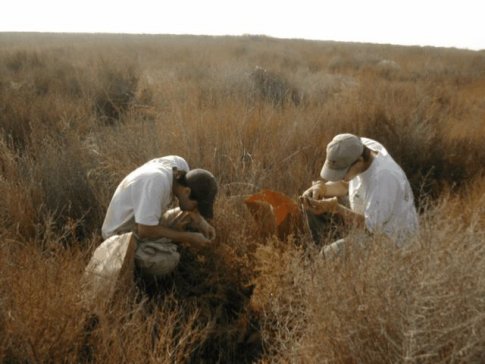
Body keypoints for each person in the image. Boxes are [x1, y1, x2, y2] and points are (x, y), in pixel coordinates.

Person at [300, 133, 418, 256]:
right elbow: (345, 184)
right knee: (313, 207)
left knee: (330, 254)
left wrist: (335, 208)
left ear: (359, 161)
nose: (340, 177)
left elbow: (371, 228)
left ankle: (326, 259)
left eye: (342, 172)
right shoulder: (359, 148)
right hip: (365, 223)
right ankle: (321, 249)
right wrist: (322, 189)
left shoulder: (384, 178)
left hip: (390, 241)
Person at [101, 155, 218, 279]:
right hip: (122, 235)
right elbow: (145, 230)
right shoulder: (156, 182)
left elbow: (191, 208)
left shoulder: (180, 167)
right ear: (187, 191)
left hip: (144, 221)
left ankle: (160, 244)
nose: (196, 210)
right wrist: (188, 238)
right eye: (196, 205)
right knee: (167, 261)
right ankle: (137, 272)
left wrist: (201, 222)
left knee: (190, 216)